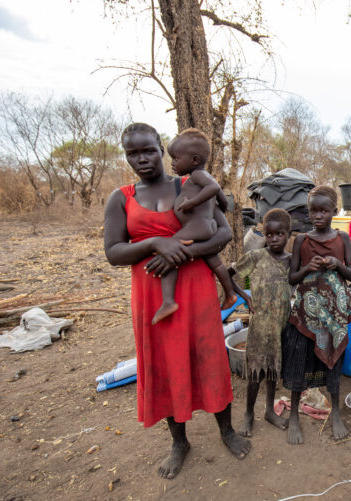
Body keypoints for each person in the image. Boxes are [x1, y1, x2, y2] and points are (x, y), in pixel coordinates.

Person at [103, 123, 249, 480]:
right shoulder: (121, 198)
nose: (141, 159)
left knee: (209, 358)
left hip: (196, 290)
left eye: (148, 150)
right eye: (132, 153)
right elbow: (114, 252)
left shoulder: (190, 184)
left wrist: (182, 253)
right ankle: (179, 442)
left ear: (160, 148)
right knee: (166, 364)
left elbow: (223, 232)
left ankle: (227, 431)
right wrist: (155, 243)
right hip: (153, 297)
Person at [283, 186, 351, 444]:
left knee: (333, 362)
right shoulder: (301, 240)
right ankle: (294, 416)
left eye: (323, 210)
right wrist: (306, 268)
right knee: (299, 360)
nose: (317, 215)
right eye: (313, 210)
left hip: (334, 315)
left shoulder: (342, 238)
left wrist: (337, 265)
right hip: (307, 314)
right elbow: (292, 278)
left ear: (334, 211)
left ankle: (335, 413)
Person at [152, 128, 238, 324]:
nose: (172, 163)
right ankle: (230, 293)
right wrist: (215, 211)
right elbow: (223, 200)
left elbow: (214, 188)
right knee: (216, 263)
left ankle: (168, 301)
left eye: (176, 158)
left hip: (196, 227)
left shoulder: (198, 175)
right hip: (205, 228)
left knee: (169, 250)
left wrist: (191, 203)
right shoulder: (204, 177)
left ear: (194, 160)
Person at [230, 208, 293, 437]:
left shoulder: (290, 261)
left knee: (273, 370)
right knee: (256, 373)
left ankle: (269, 411)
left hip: (280, 325)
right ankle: (248, 414)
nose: (274, 239)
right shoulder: (256, 257)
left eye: (279, 234)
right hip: (259, 326)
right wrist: (244, 296)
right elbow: (228, 273)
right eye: (269, 235)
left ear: (288, 234)